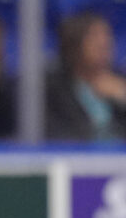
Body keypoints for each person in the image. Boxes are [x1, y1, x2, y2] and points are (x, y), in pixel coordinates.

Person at [45, 11, 126, 142]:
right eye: (94, 36)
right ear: (74, 44)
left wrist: (123, 96)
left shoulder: (120, 80)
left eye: (106, 35)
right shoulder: (54, 89)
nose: (104, 43)